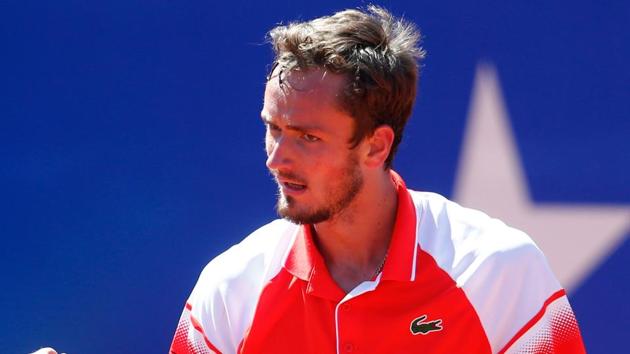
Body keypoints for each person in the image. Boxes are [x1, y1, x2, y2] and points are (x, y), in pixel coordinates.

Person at [170, 6, 585, 354]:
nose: (276, 160)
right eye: (274, 129)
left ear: (376, 147)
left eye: (309, 137)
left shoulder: (497, 270)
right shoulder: (231, 287)